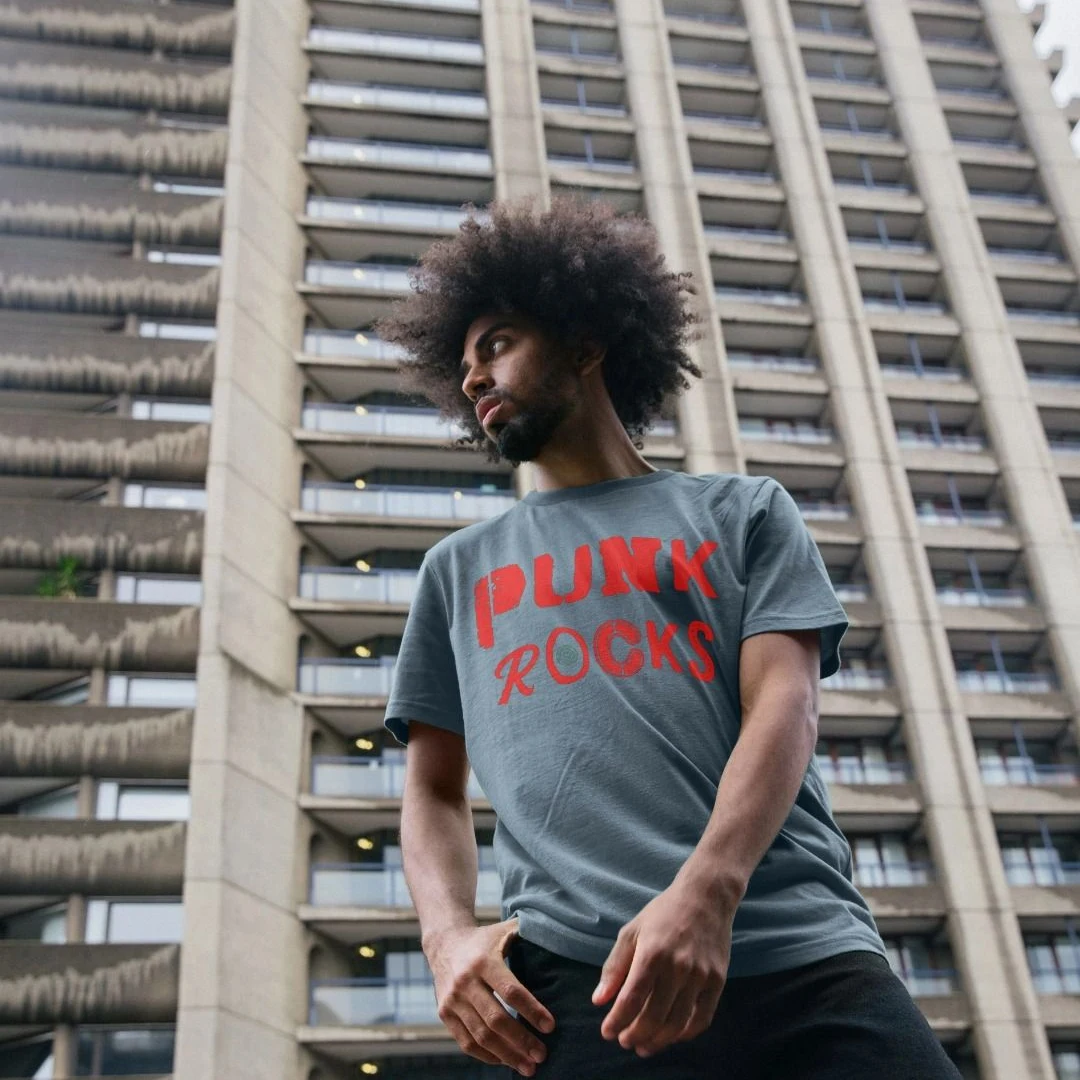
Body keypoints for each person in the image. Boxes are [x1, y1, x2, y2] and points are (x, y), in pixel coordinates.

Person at [378, 197, 962, 1080]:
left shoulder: (743, 512)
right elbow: (431, 789)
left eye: (496, 345)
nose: (473, 379)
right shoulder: (456, 571)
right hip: (582, 985)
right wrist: (447, 938)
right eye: (463, 364)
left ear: (585, 345)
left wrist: (707, 893)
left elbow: (787, 704)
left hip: (802, 956)